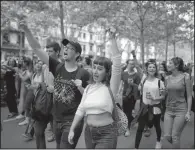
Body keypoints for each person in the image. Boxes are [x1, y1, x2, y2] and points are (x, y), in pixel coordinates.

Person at [19, 19, 90, 149]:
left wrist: (80, 87)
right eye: (65, 47)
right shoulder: (57, 67)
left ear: (78, 54)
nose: (66, 49)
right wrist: (27, 31)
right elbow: (37, 49)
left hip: (72, 121)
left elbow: (90, 96)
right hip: (56, 119)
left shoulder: (84, 74)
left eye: (70, 48)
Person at [68, 27, 121, 149]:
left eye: (100, 68)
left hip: (107, 133)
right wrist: (72, 129)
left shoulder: (111, 88)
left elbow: (117, 62)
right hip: (89, 133)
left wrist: (112, 39)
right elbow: (81, 109)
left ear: (107, 72)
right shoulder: (88, 88)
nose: (95, 71)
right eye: (94, 67)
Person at [132, 59, 166, 149]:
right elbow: (140, 89)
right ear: (147, 69)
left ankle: (158, 141)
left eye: (153, 67)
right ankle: (136, 147)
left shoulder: (159, 82)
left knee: (157, 126)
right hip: (145, 107)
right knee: (140, 128)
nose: (152, 69)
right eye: (150, 67)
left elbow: (163, 96)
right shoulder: (144, 80)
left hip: (155, 108)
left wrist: (155, 98)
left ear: (156, 69)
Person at [163, 57, 192, 149]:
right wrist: (162, 92)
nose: (168, 65)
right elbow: (165, 94)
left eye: (170, 63)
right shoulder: (167, 78)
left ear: (177, 65)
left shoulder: (185, 77)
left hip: (181, 110)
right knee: (167, 136)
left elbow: (189, 96)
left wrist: (188, 112)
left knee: (175, 136)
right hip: (169, 110)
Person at [120, 58, 141, 136]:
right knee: (126, 112)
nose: (132, 65)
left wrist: (133, 84)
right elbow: (119, 83)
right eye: (130, 63)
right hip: (124, 96)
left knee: (130, 112)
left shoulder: (137, 75)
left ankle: (129, 126)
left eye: (133, 64)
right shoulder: (123, 74)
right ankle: (129, 126)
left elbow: (139, 87)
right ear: (127, 64)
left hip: (133, 96)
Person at [16, 57, 33, 126]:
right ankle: (25, 116)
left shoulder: (30, 70)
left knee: (27, 104)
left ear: (26, 63)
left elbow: (24, 78)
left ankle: (27, 119)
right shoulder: (27, 70)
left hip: (29, 89)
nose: (23, 63)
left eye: (23, 62)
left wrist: (19, 73)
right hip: (26, 88)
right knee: (24, 103)